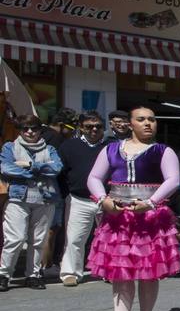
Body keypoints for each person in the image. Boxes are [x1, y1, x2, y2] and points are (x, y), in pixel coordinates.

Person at [84, 106, 180, 311]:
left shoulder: (163, 151)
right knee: (120, 268)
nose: (148, 123)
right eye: (142, 119)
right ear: (130, 124)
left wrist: (151, 203)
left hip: (150, 218)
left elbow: (173, 180)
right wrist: (102, 200)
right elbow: (94, 177)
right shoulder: (111, 149)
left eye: (152, 119)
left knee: (149, 268)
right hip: (118, 217)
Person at [0, 115, 63, 290]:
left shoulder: (49, 148)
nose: (29, 132)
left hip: (45, 199)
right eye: (25, 128)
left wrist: (27, 165)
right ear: (20, 130)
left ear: (40, 130)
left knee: (38, 240)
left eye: (33, 128)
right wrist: (39, 168)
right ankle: (4, 274)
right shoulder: (10, 147)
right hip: (17, 198)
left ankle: (33, 275)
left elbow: (56, 168)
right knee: (15, 238)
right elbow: (6, 168)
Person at [57, 111, 106, 286]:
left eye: (98, 126)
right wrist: (66, 194)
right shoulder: (69, 146)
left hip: (107, 200)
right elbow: (60, 173)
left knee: (108, 238)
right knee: (75, 238)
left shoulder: (112, 146)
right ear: (80, 127)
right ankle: (71, 272)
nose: (94, 129)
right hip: (78, 199)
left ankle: (108, 270)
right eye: (89, 126)